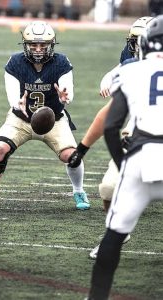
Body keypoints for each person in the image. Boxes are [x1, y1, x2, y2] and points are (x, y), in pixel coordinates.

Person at [0, 21, 90, 211]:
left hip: (54, 119)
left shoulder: (61, 62)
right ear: (25, 45)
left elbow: (67, 88)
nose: (38, 49)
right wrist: (17, 103)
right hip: (21, 118)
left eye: (42, 45)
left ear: (51, 45)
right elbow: (12, 93)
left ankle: (78, 191)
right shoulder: (15, 62)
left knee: (72, 156)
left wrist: (65, 96)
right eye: (33, 45)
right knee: (0, 149)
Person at [87, 15, 163, 299]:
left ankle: (96, 296)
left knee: (114, 235)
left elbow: (110, 127)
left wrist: (123, 163)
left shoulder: (132, 72)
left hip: (141, 155)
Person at [68, 16, 153, 259]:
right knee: (108, 188)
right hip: (139, 134)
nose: (140, 47)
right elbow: (109, 114)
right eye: (137, 41)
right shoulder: (131, 68)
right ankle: (117, 233)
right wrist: (82, 148)